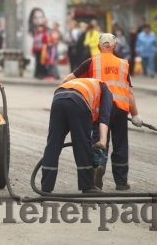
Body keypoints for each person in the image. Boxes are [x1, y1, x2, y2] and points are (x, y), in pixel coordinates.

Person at [61, 33, 143, 190]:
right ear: (114, 47)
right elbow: (129, 93)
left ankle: (97, 169)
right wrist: (135, 115)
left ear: (99, 46)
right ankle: (121, 182)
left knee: (98, 141)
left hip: (99, 110)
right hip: (120, 109)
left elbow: (67, 80)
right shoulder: (123, 64)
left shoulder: (92, 62)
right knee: (121, 145)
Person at [41, 78, 113, 194]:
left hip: (58, 98)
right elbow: (104, 119)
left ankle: (46, 187)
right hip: (78, 101)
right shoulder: (107, 92)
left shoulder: (88, 83)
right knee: (82, 144)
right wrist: (103, 142)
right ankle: (88, 186)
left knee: (53, 144)